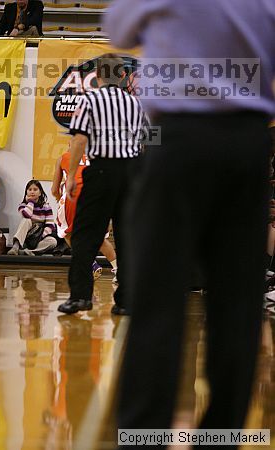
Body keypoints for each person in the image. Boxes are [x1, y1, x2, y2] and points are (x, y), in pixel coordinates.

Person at [105, 0, 275, 446]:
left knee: (158, 296)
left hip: (180, 139)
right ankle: (221, 436)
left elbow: (118, 29)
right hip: (249, 141)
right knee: (238, 303)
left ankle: (143, 435)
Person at [57, 53, 148, 316]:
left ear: (97, 76)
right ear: (122, 76)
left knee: (86, 235)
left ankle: (81, 297)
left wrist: (72, 175)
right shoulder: (135, 104)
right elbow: (146, 142)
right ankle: (127, 300)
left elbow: (78, 140)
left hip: (100, 171)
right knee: (127, 236)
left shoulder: (89, 100)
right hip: (131, 171)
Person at [51, 145, 118, 281]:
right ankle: (119, 271)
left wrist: (59, 199)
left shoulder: (63, 157)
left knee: (67, 233)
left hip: (73, 196)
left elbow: (54, 189)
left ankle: (90, 264)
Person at [8, 180, 57, 256]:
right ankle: (15, 247)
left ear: (40, 193)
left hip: (38, 237)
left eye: (35, 189)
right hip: (26, 237)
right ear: (26, 192)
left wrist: (40, 237)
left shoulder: (46, 206)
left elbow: (50, 225)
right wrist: (31, 202)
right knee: (26, 220)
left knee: (53, 242)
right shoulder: (23, 206)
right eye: (30, 189)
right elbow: (27, 215)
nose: (32, 192)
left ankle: (28, 251)